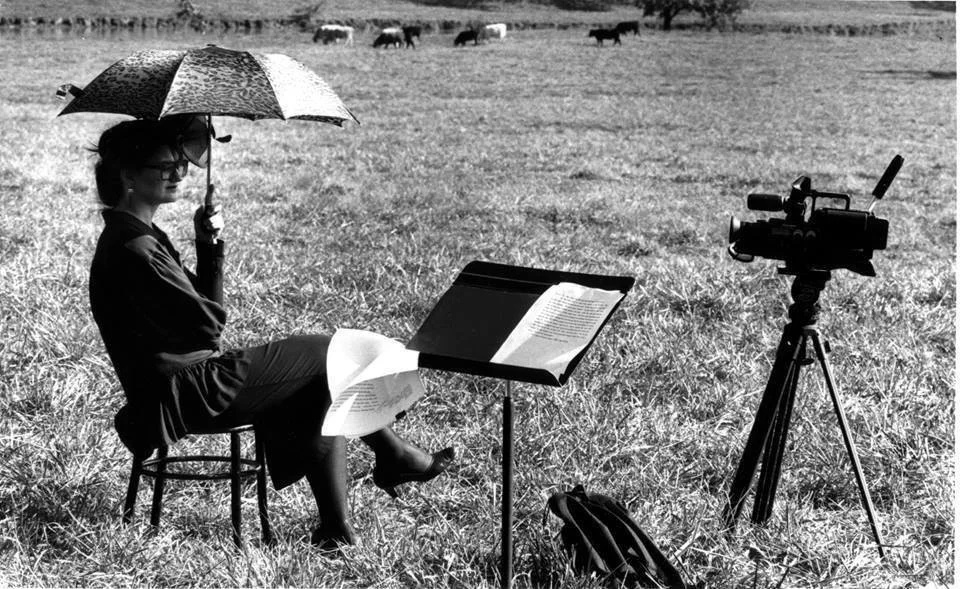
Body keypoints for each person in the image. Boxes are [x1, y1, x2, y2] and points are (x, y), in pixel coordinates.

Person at [88, 117, 454, 550]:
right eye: (164, 167)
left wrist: (208, 245)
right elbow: (208, 326)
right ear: (128, 176)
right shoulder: (135, 248)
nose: (179, 173)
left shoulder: (139, 236)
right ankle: (393, 455)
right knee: (331, 353)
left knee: (321, 382)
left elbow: (204, 315)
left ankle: (339, 527)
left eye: (181, 164)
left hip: (186, 384)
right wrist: (205, 308)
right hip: (186, 391)